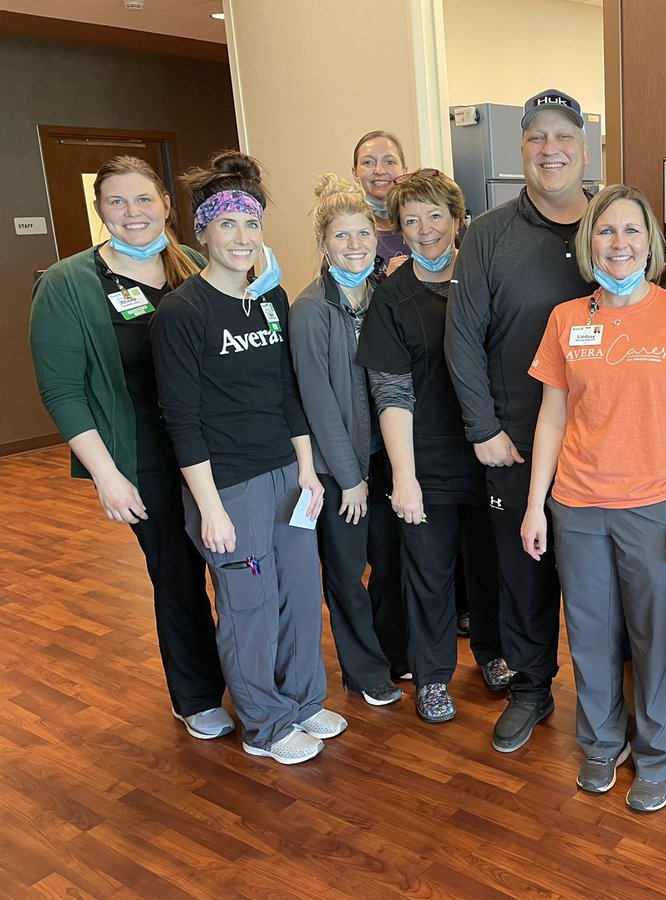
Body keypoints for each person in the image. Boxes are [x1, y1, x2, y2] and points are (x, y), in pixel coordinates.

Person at [521, 184, 666, 812]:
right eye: (606, 231)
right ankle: (602, 744)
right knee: (590, 634)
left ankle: (658, 755)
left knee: (656, 636)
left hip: (655, 505)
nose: (619, 243)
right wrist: (534, 504)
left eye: (632, 231)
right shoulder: (567, 319)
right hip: (575, 505)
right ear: (588, 242)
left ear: (652, 243)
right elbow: (551, 418)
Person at [152, 150, 346, 765]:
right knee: (250, 607)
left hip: (285, 474)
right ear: (202, 231)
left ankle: (304, 700)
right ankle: (263, 725)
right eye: (227, 224)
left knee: (298, 588)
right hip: (227, 484)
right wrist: (209, 508)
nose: (242, 237)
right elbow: (181, 419)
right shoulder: (180, 312)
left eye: (251, 223)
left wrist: (307, 470)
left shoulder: (270, 300)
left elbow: (287, 393)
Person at [28, 156, 230, 741]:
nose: (132, 213)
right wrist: (107, 476)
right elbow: (61, 390)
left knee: (236, 568)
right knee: (178, 574)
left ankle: (245, 676)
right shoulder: (66, 285)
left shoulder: (194, 266)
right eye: (116, 202)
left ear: (167, 206)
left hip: (214, 449)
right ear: (100, 212)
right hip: (140, 455)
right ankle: (195, 695)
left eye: (143, 199)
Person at [446, 88, 595, 753]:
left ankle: (601, 703)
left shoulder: (613, 224)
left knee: (598, 582)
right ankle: (532, 688)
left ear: (583, 146)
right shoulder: (488, 234)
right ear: (522, 149)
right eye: (537, 138)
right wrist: (482, 428)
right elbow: (462, 338)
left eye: (564, 136)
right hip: (517, 441)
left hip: (605, 448)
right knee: (526, 572)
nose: (551, 149)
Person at [356, 171, 509, 723]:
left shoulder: (486, 279)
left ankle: (494, 654)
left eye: (435, 216)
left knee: (490, 565)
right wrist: (405, 477)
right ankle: (434, 674)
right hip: (427, 459)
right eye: (411, 220)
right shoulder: (393, 298)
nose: (424, 230)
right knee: (429, 570)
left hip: (492, 452)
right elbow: (391, 393)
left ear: (458, 218)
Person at [289, 174, 405, 708]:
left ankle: (391, 652)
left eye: (363, 234)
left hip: (388, 459)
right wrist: (352, 479)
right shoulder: (310, 309)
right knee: (346, 574)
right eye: (342, 236)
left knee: (390, 562)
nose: (355, 245)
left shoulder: (385, 296)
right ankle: (362, 671)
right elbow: (318, 404)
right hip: (341, 471)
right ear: (323, 243)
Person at [352, 131, 411, 270]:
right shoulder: (347, 232)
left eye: (389, 162)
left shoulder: (425, 224)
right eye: (368, 162)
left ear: (404, 171)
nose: (379, 170)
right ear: (355, 173)